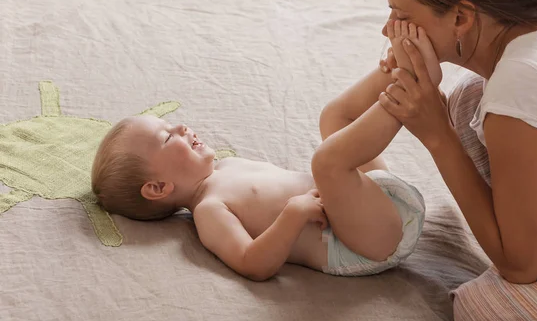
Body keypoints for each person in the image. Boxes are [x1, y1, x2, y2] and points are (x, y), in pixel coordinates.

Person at [342, 0, 537, 321]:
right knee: (469, 101)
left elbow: (520, 269)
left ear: (461, 17)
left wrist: (437, 135)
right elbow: (339, 117)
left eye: (398, 14)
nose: (387, 29)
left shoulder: (521, 85)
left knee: (488, 306)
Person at [90, 28, 433, 280]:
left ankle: (396, 67)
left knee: (332, 119)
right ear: (158, 187)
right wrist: (294, 215)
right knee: (327, 162)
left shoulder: (226, 166)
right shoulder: (209, 211)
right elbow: (251, 262)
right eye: (167, 137)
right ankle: (411, 91)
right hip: (360, 240)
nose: (181, 127)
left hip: (373, 195)